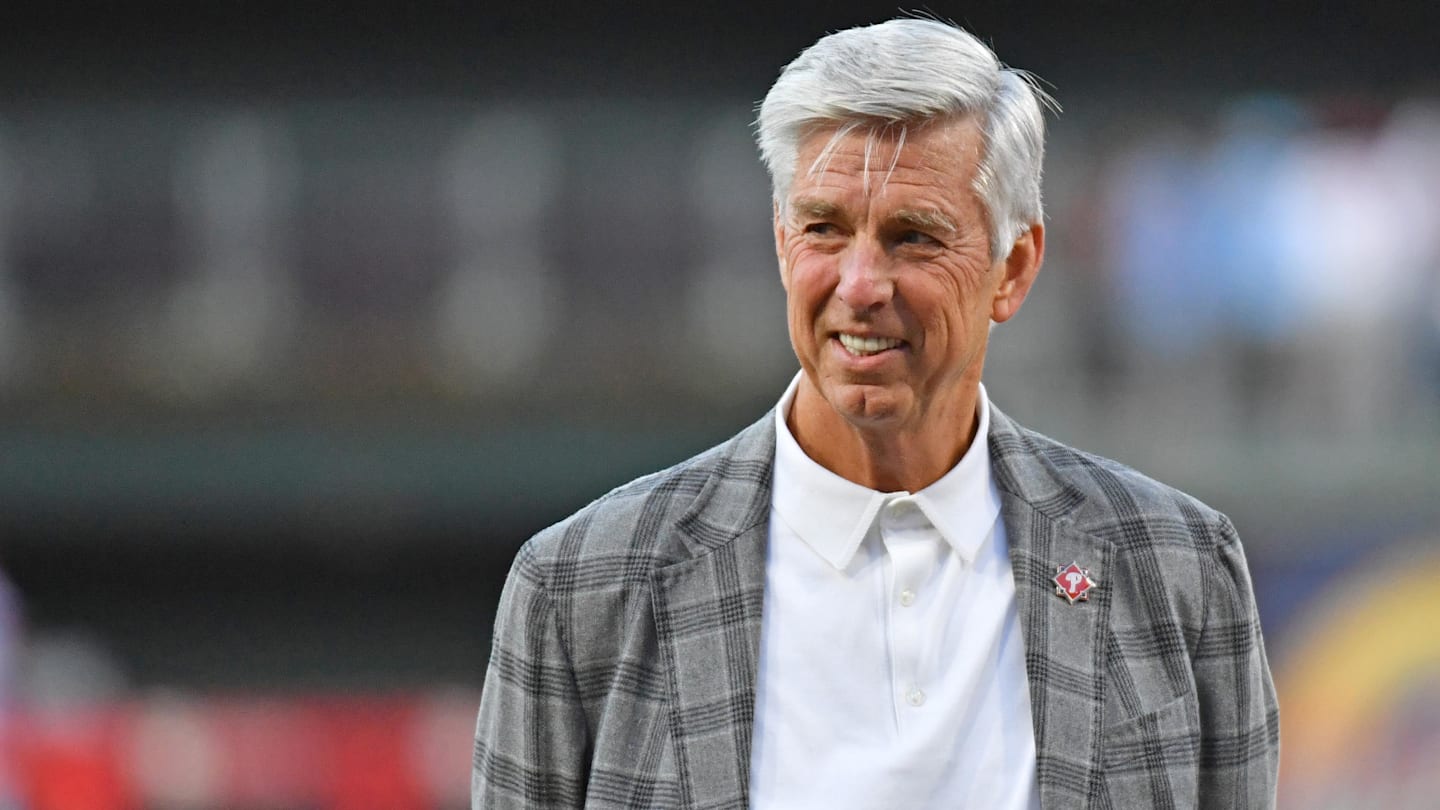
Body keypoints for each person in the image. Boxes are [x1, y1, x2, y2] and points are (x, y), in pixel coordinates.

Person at [472, 18, 1280, 810]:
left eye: (913, 237)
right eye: (824, 228)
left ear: (1016, 266)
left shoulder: (1180, 571)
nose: (860, 283)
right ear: (782, 243)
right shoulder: (580, 588)